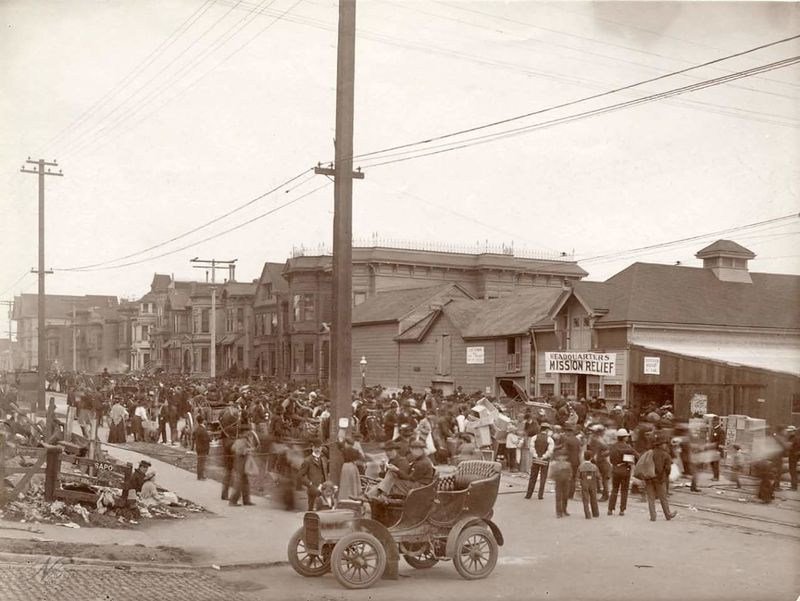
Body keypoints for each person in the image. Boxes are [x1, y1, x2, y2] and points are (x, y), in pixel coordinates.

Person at [644, 435, 678, 522]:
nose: (666, 445)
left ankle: (653, 516)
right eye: (664, 443)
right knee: (663, 498)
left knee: (651, 498)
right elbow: (668, 469)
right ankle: (668, 515)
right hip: (660, 479)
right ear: (661, 444)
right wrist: (665, 476)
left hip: (649, 478)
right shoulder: (665, 455)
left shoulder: (649, 452)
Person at [608, 428, 638, 516]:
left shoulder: (613, 447)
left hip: (615, 469)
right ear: (624, 438)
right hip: (625, 470)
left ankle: (610, 509)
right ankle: (622, 510)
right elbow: (637, 456)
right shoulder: (628, 447)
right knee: (624, 491)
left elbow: (611, 459)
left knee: (614, 489)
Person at [525, 423, 554, 500]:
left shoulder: (534, 437)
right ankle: (540, 495)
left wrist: (536, 455)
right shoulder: (550, 439)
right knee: (543, 478)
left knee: (533, 477)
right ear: (547, 430)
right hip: (544, 461)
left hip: (535, 460)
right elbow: (550, 451)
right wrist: (544, 456)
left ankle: (528, 494)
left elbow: (531, 448)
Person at [219, 402, 241, 501]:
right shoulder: (236, 416)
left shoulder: (224, 412)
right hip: (233, 444)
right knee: (237, 471)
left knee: (228, 471)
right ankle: (235, 496)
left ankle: (224, 494)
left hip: (225, 443)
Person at [298, 440, 328, 511]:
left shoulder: (324, 459)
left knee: (323, 510)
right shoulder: (307, 461)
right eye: (316, 447)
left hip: (323, 488)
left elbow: (325, 472)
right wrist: (309, 484)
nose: (318, 449)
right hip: (313, 489)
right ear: (312, 448)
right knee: (312, 510)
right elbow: (300, 475)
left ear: (321, 448)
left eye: (319, 447)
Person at [588, 425, 611, 502]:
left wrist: (598, 457)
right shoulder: (602, 439)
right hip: (602, 461)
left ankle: (604, 495)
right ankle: (602, 493)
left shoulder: (596, 440)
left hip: (600, 462)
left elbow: (595, 453)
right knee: (602, 479)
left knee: (602, 479)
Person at [578, 450, 600, 519]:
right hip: (593, 484)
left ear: (584, 457)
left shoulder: (581, 466)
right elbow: (598, 476)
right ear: (591, 458)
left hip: (584, 484)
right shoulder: (594, 466)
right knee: (594, 498)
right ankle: (595, 513)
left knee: (585, 499)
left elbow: (578, 476)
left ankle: (587, 514)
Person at [550, 451, 572, 518]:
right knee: (558, 497)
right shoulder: (554, 465)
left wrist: (569, 478)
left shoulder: (568, 464)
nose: (562, 458)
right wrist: (555, 479)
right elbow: (551, 474)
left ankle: (564, 510)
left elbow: (570, 472)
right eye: (560, 456)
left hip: (566, 482)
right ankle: (559, 512)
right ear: (557, 457)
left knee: (565, 496)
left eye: (563, 456)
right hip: (558, 482)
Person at [563, 426, 582, 500]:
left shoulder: (567, 440)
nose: (566, 433)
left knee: (568, 478)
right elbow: (579, 451)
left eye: (566, 432)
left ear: (569, 432)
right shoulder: (577, 440)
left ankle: (567, 494)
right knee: (573, 478)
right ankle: (571, 494)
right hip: (576, 461)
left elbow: (565, 451)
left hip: (569, 461)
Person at [194, 415, 210, 480]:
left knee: (200, 462)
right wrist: (210, 439)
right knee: (202, 462)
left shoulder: (198, 428)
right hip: (203, 448)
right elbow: (205, 439)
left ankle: (199, 475)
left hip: (199, 447)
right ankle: (201, 476)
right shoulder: (202, 429)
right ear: (203, 421)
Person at [787, 426, 799, 491]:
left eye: (790, 431)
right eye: (788, 432)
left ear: (793, 431)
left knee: (793, 471)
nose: (789, 432)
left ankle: (794, 486)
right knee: (792, 471)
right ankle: (793, 485)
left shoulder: (795, 438)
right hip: (792, 456)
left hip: (794, 456)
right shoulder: (791, 438)